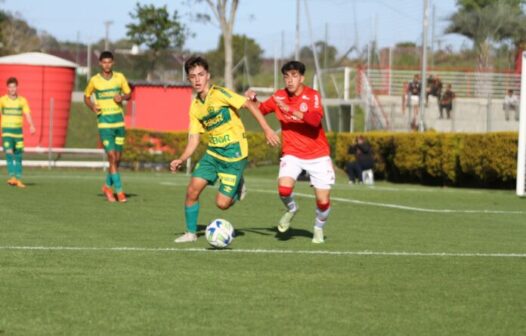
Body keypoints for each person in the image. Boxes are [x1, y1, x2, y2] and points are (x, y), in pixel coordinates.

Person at [170, 56, 280, 243]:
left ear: (208, 76)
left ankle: (237, 187)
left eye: (201, 75)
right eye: (193, 76)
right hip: (213, 154)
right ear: (188, 79)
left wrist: (267, 129)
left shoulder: (220, 93)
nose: (197, 79)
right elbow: (194, 139)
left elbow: (248, 104)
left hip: (234, 154)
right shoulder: (195, 107)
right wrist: (181, 158)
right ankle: (190, 233)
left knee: (222, 205)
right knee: (191, 191)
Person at [245, 61, 335, 244]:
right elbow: (261, 109)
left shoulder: (313, 96)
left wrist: (292, 110)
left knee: (323, 201)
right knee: (284, 189)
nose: (290, 80)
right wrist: (252, 99)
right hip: (292, 152)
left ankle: (318, 228)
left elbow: (315, 120)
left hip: (318, 154)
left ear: (302, 78)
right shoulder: (279, 97)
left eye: (294, 76)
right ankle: (292, 209)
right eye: (286, 76)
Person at [84, 51, 131, 203]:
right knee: (111, 157)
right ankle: (120, 192)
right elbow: (86, 96)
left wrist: (122, 97)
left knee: (117, 160)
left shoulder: (120, 77)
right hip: (104, 123)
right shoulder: (94, 80)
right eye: (104, 62)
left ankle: (106, 186)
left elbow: (128, 93)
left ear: (113, 63)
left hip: (119, 123)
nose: (106, 65)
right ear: (100, 63)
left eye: (109, 62)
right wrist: (92, 106)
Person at [0, 77, 36, 188]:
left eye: (14, 87)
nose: (12, 89)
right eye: (10, 87)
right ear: (7, 88)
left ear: (17, 87)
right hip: (6, 131)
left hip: (18, 132)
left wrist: (31, 125)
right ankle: (12, 177)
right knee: (9, 153)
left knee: (18, 155)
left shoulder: (22, 101)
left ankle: (18, 179)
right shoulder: (2, 100)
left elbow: (27, 114)